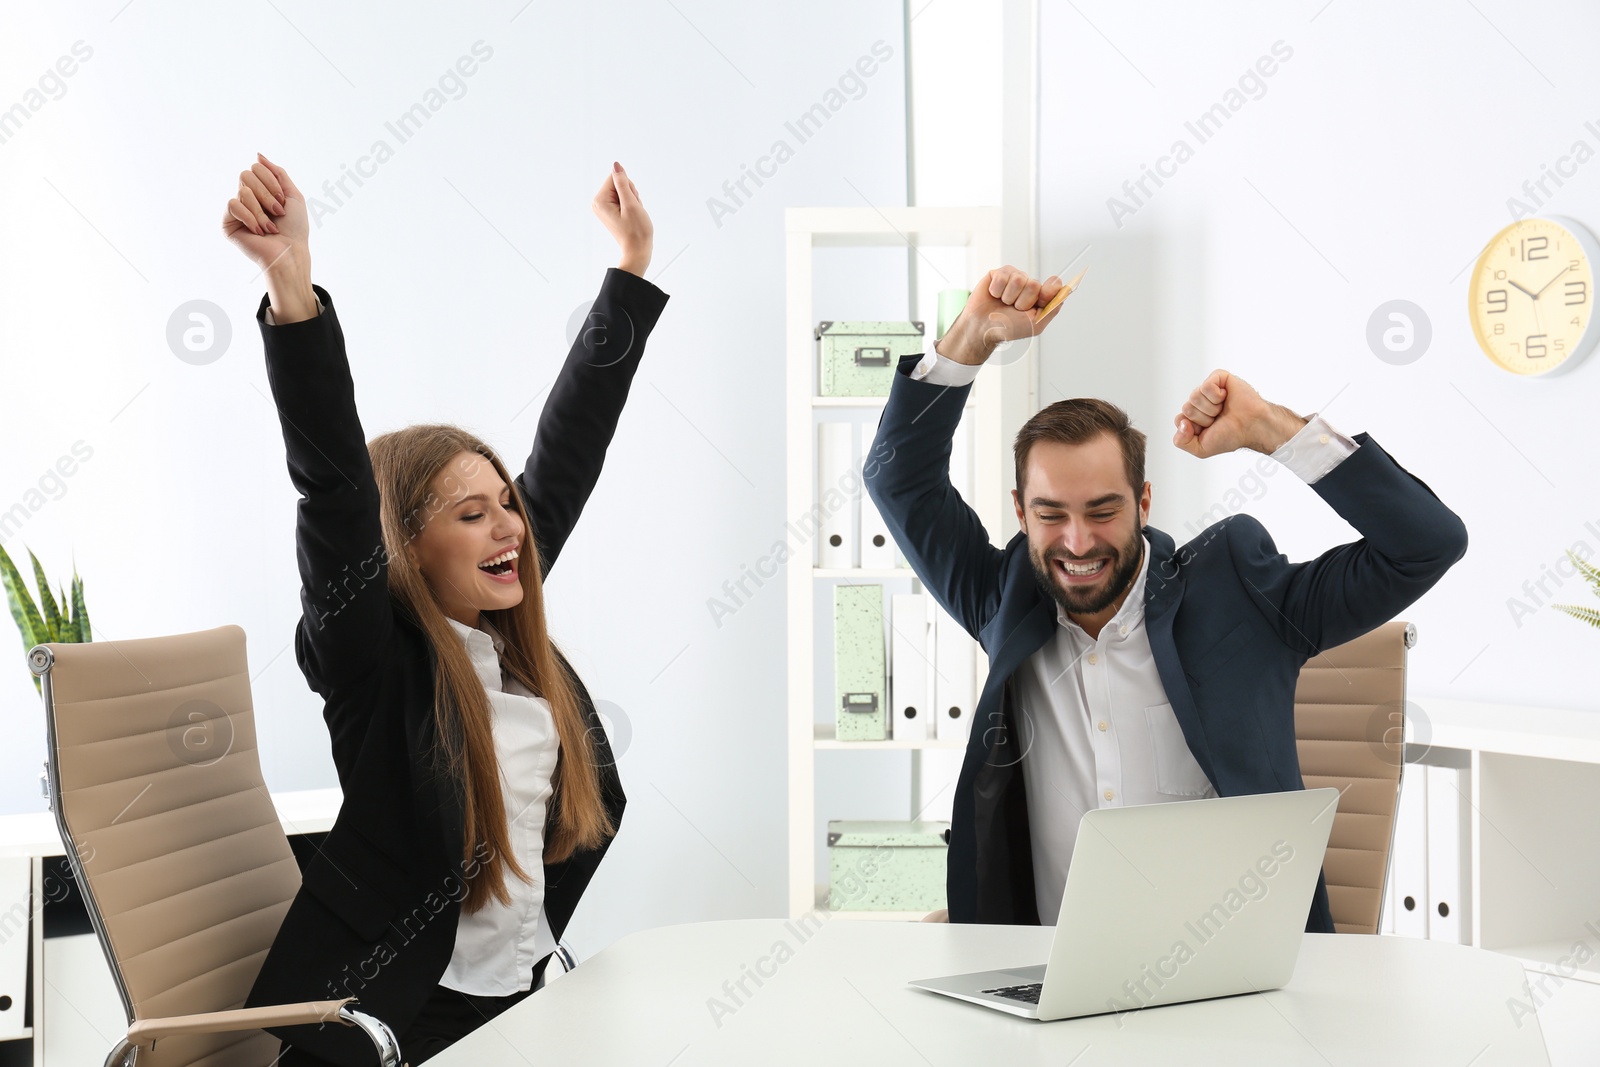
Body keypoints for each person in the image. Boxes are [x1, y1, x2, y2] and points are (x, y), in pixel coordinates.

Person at [221, 154, 669, 1064]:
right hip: (404, 1027)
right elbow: (334, 490)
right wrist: (290, 283)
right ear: (408, 549)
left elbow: (571, 444)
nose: (511, 525)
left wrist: (630, 271)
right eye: (472, 513)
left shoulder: (504, 636)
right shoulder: (370, 658)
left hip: (524, 1000)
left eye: (506, 502)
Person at [864, 266, 1467, 933]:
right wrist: (968, 342)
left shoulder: (1239, 593)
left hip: (1228, 982)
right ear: (1021, 512)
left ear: (1144, 502)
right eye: (1050, 513)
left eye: (1103, 509)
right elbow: (900, 480)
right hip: (1051, 977)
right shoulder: (1003, 597)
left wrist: (1273, 430)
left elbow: (1425, 543)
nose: (1077, 540)